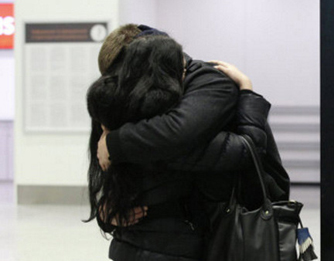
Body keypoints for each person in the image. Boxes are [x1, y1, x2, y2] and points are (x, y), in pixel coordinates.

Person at [86, 33, 276, 260]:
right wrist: (247, 91)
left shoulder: (115, 122)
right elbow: (247, 150)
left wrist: (106, 214)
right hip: (178, 246)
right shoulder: (180, 136)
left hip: (126, 246)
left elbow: (106, 187)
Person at [96, 25, 290, 205]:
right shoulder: (139, 99)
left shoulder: (209, 81)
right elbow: (108, 177)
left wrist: (115, 143)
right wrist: (109, 212)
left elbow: (179, 134)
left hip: (239, 211)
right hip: (184, 224)